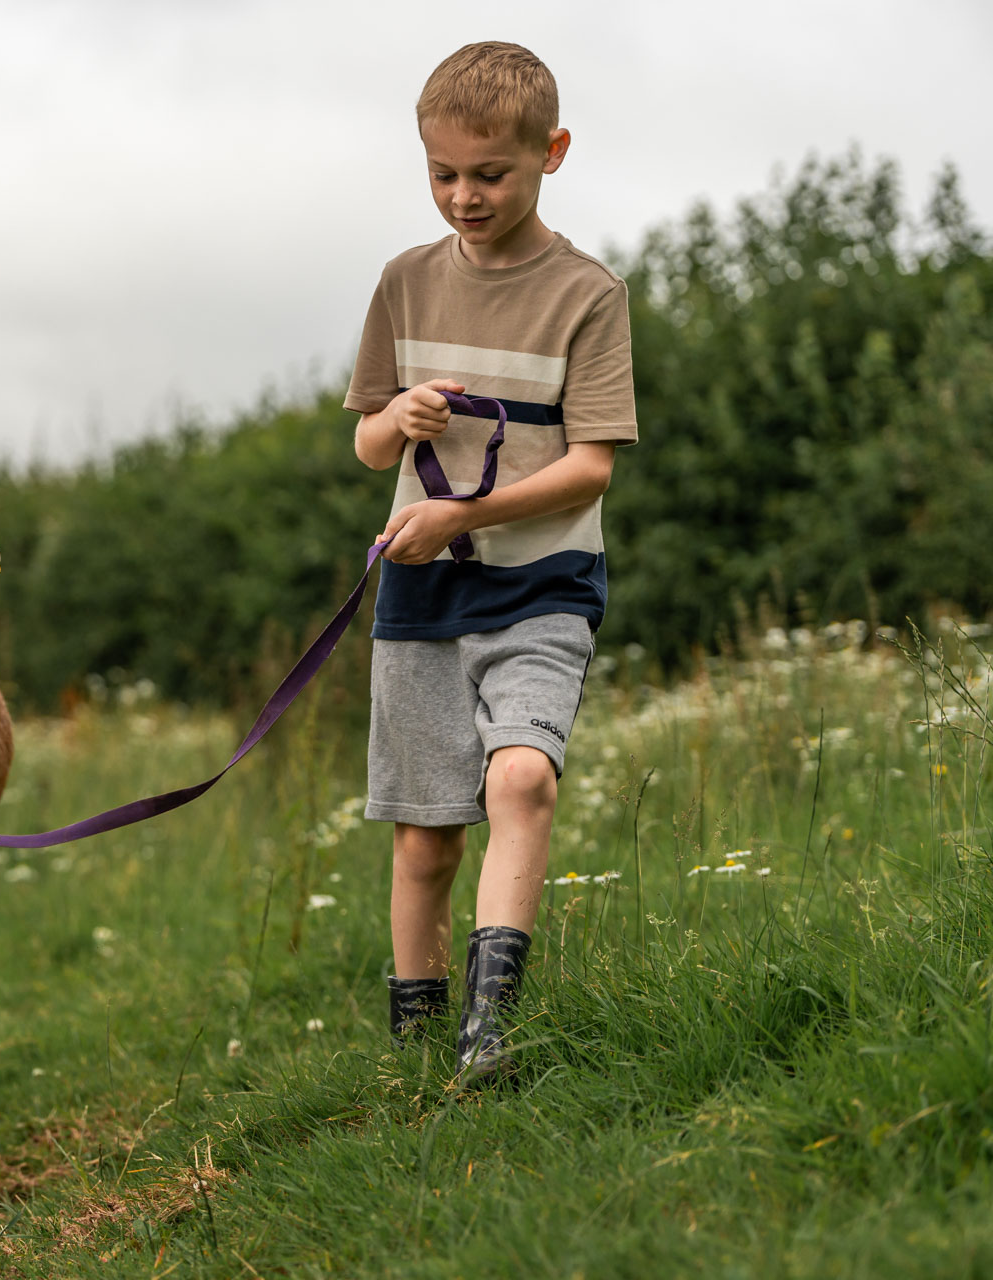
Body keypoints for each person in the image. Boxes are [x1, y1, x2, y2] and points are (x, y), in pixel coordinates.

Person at [345, 42, 638, 1083]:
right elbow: (369, 447)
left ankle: (488, 1034)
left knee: (521, 779)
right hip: (421, 591)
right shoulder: (403, 283)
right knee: (426, 836)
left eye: (490, 174)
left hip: (542, 583)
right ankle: (417, 1048)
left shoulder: (590, 296)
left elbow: (591, 468)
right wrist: (396, 417)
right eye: (442, 174)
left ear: (551, 154)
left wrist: (456, 512)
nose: (463, 196)